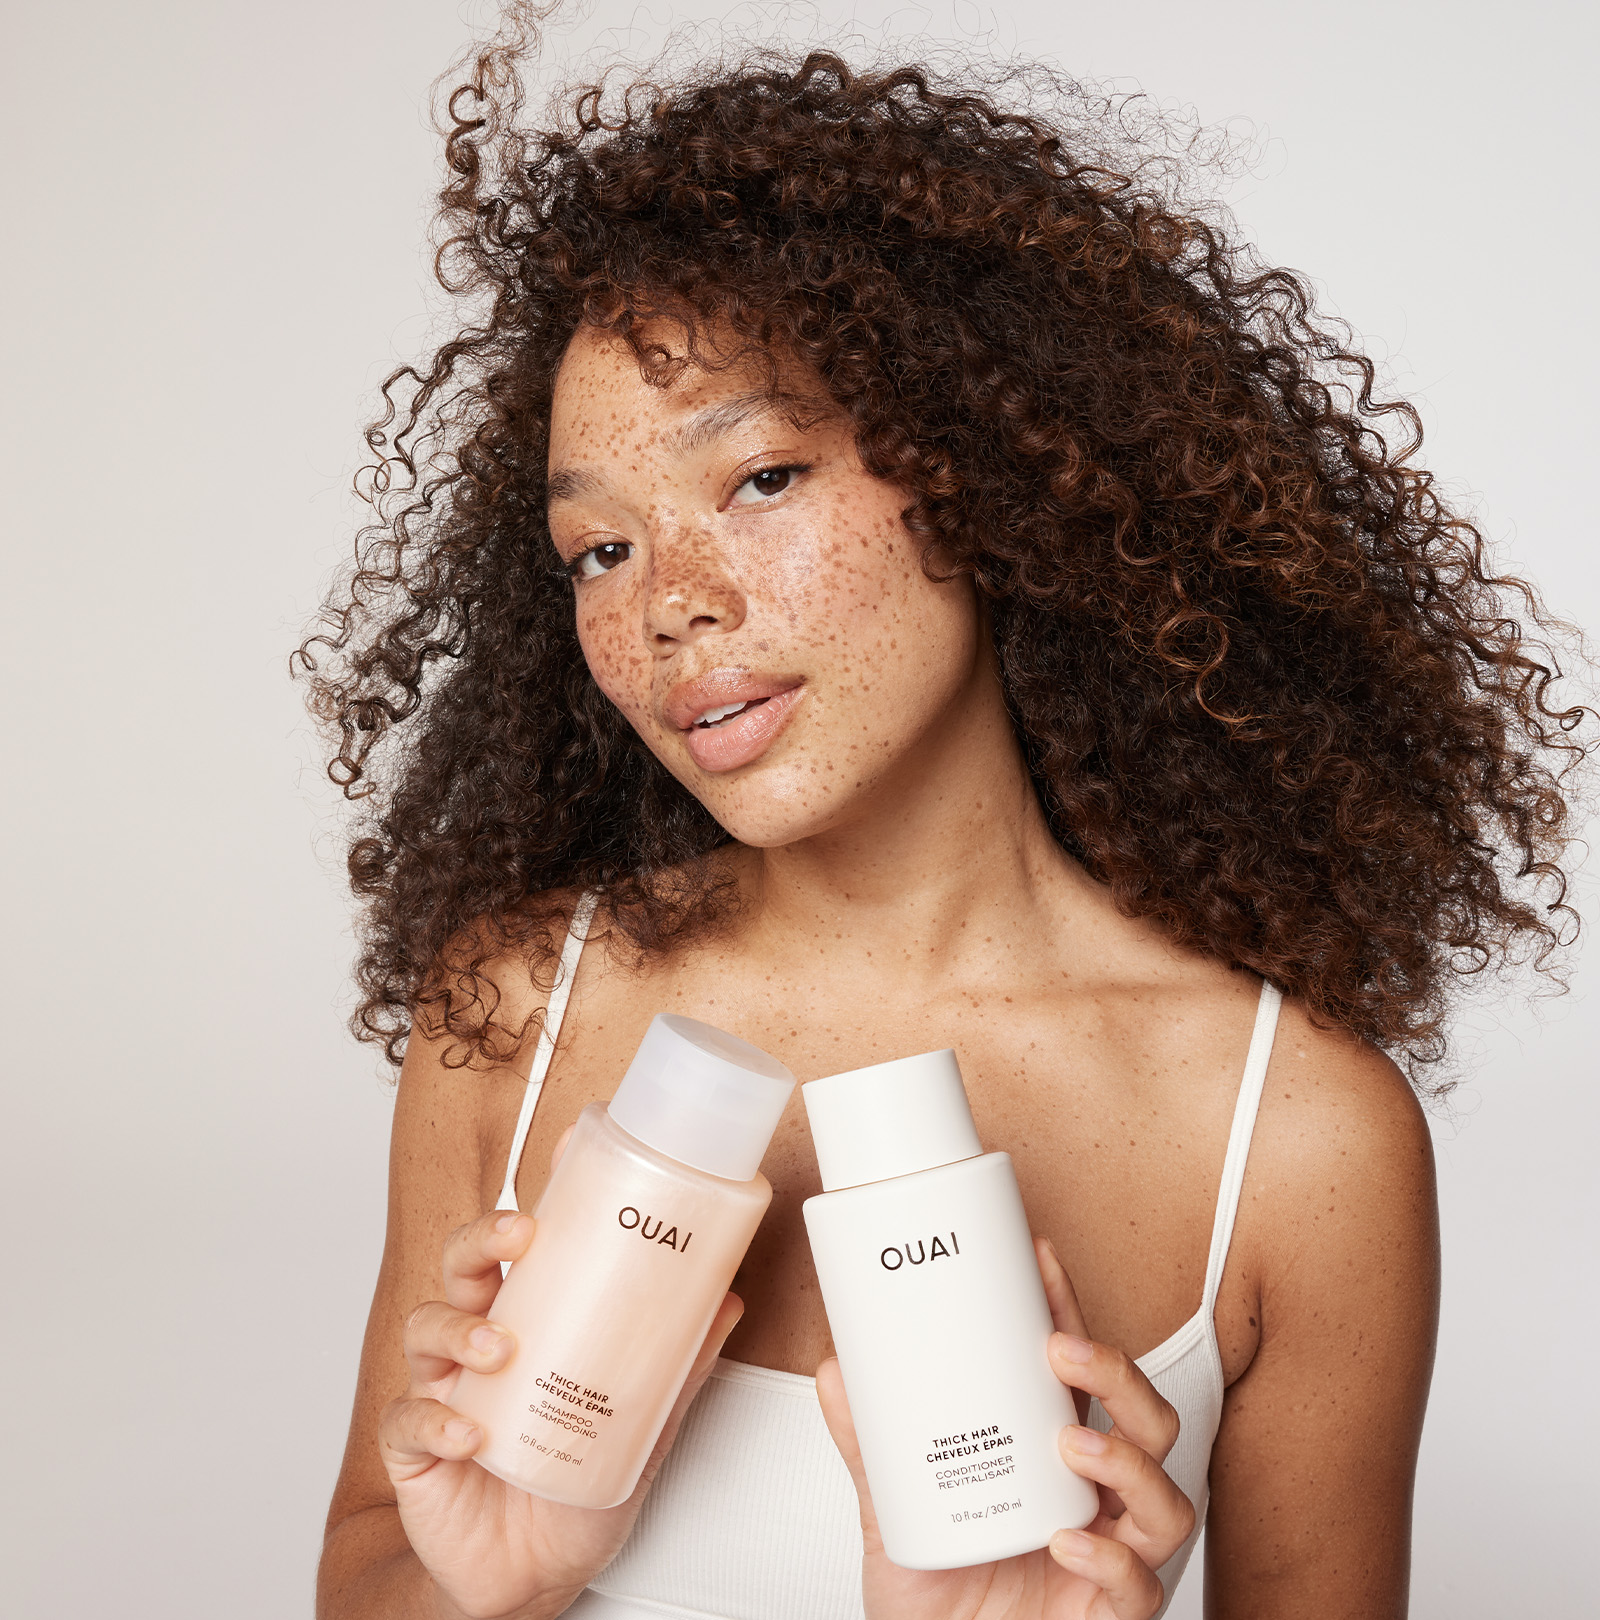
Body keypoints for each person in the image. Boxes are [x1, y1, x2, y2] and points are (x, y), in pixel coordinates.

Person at [302, 32, 1586, 1620]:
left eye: (762, 477)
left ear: (980, 479)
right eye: (598, 551)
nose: (672, 607)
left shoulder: (1303, 1144)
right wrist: (509, 1575)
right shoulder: (515, 1011)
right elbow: (368, 1576)